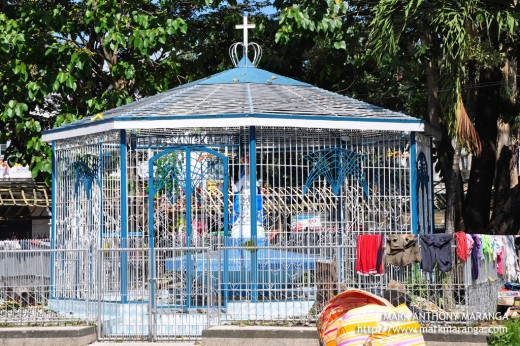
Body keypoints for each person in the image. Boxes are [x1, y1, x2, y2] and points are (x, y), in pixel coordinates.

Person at [231, 159, 265, 238]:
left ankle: (253, 221)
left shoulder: (253, 178)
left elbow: (257, 187)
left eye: (248, 168)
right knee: (244, 209)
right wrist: (233, 184)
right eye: (246, 169)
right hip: (244, 197)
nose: (247, 170)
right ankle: (244, 220)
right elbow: (236, 188)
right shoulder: (243, 178)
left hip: (252, 197)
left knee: (252, 209)